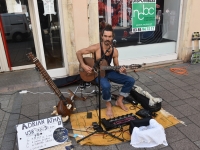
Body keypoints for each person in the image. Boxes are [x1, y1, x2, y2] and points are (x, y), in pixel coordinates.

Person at [76, 24, 135, 118]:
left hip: (108, 71)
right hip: (96, 74)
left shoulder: (114, 51)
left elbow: (116, 67)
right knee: (106, 86)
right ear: (102, 36)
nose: (107, 38)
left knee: (130, 80)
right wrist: (83, 65)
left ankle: (119, 101)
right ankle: (108, 105)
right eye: (105, 36)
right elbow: (79, 52)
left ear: (112, 37)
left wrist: (121, 70)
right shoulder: (96, 47)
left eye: (110, 36)